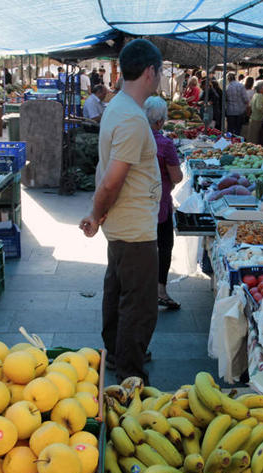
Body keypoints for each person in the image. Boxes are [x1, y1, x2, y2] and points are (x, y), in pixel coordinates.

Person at [79, 39, 163, 385]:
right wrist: (96, 215)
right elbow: (112, 181)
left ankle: (116, 352)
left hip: (124, 223)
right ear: (150, 72)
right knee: (138, 304)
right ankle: (130, 374)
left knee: (117, 290)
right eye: (158, 72)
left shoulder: (118, 107)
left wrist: (98, 214)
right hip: (133, 227)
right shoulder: (131, 117)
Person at [144, 96, 183, 311]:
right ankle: (160, 291)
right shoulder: (165, 145)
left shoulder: (133, 138)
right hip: (159, 205)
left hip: (135, 206)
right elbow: (177, 177)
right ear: (160, 122)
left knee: (141, 249)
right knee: (164, 246)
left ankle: (138, 291)